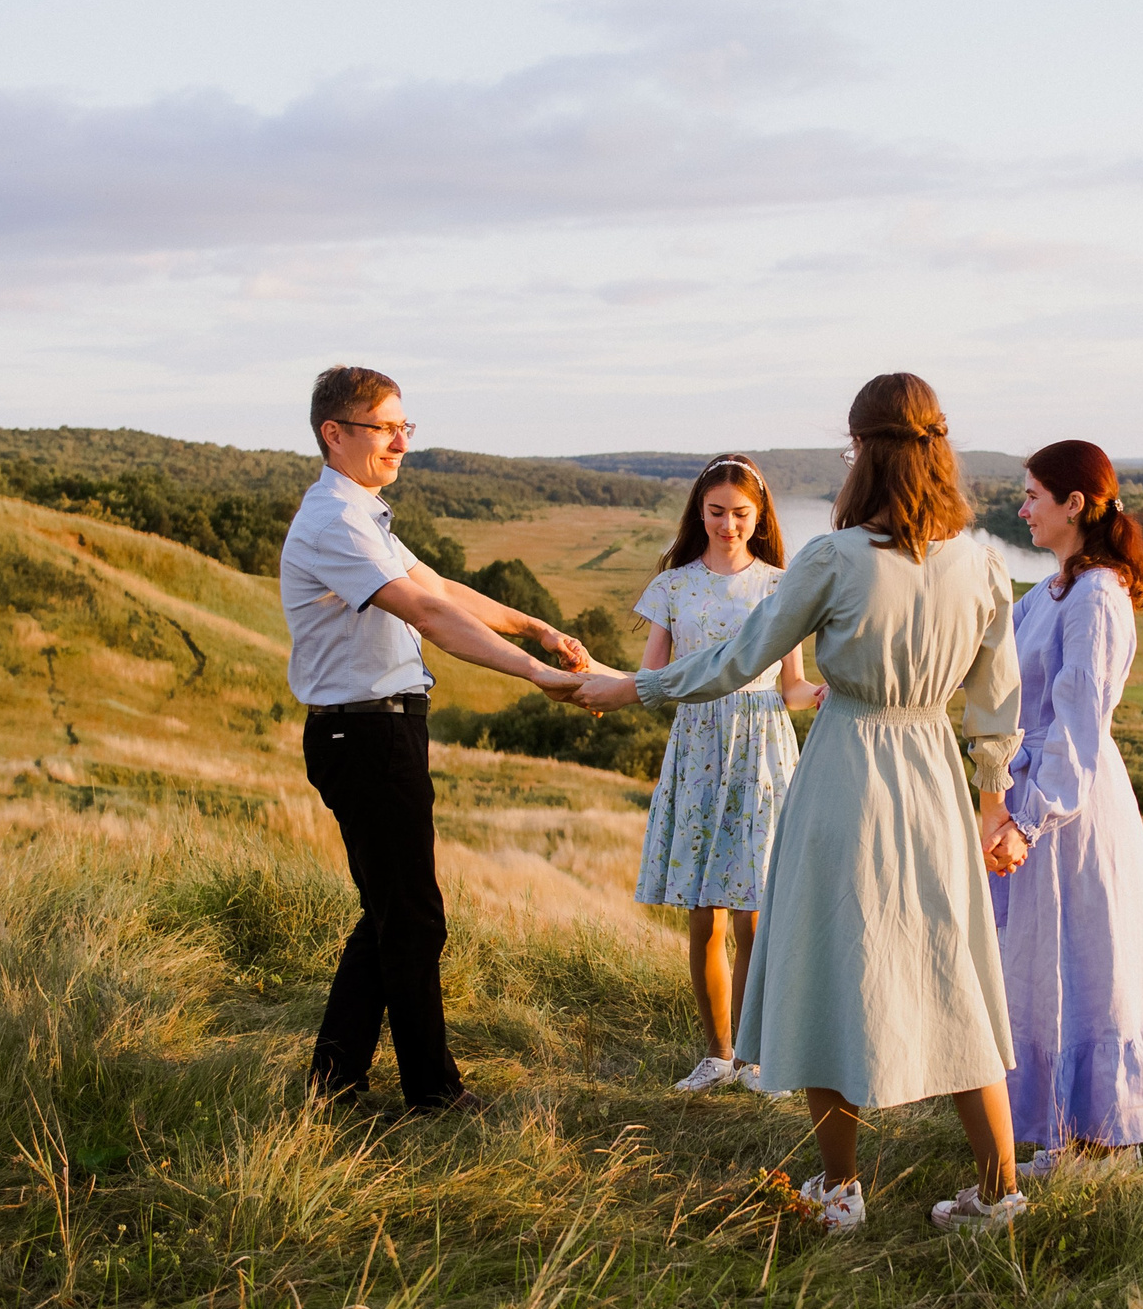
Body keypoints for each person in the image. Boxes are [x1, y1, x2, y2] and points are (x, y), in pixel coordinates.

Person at [577, 372, 1031, 1235]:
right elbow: (995, 706)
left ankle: (842, 1188)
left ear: (861, 451)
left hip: (848, 768)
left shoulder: (835, 557)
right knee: (955, 967)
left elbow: (738, 659)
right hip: (933, 772)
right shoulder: (983, 562)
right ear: (940, 449)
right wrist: (991, 800)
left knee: (829, 963)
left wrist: (628, 687)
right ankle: (999, 1192)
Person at [285, 365, 591, 1116]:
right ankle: (433, 1090)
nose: (400, 441)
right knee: (415, 916)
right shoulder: (334, 520)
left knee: (391, 911)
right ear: (336, 433)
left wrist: (536, 626)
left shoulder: (364, 515)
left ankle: (334, 1084)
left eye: (404, 426)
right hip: (362, 732)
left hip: (383, 727)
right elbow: (430, 614)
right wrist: (533, 674)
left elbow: (445, 587)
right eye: (384, 426)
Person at [992, 442, 1143, 1174]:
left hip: (1070, 808)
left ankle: (1103, 1141)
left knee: (1089, 960)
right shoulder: (1051, 591)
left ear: (1074, 503)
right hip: (1033, 790)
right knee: (1047, 967)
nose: (1023, 509)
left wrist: (1029, 817)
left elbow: (1078, 729)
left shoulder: (1098, 597)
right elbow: (990, 656)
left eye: (1033, 496)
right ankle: (1068, 1135)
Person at [632, 454, 827, 1095]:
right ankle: (716, 1055)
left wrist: (822, 696)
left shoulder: (780, 585)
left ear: (759, 515)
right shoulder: (673, 585)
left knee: (754, 915)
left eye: (740, 514)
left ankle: (753, 1058)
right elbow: (652, 680)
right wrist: (587, 681)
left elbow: (792, 685)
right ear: (700, 514)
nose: (728, 525)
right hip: (697, 748)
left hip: (764, 749)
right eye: (715, 513)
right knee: (704, 914)